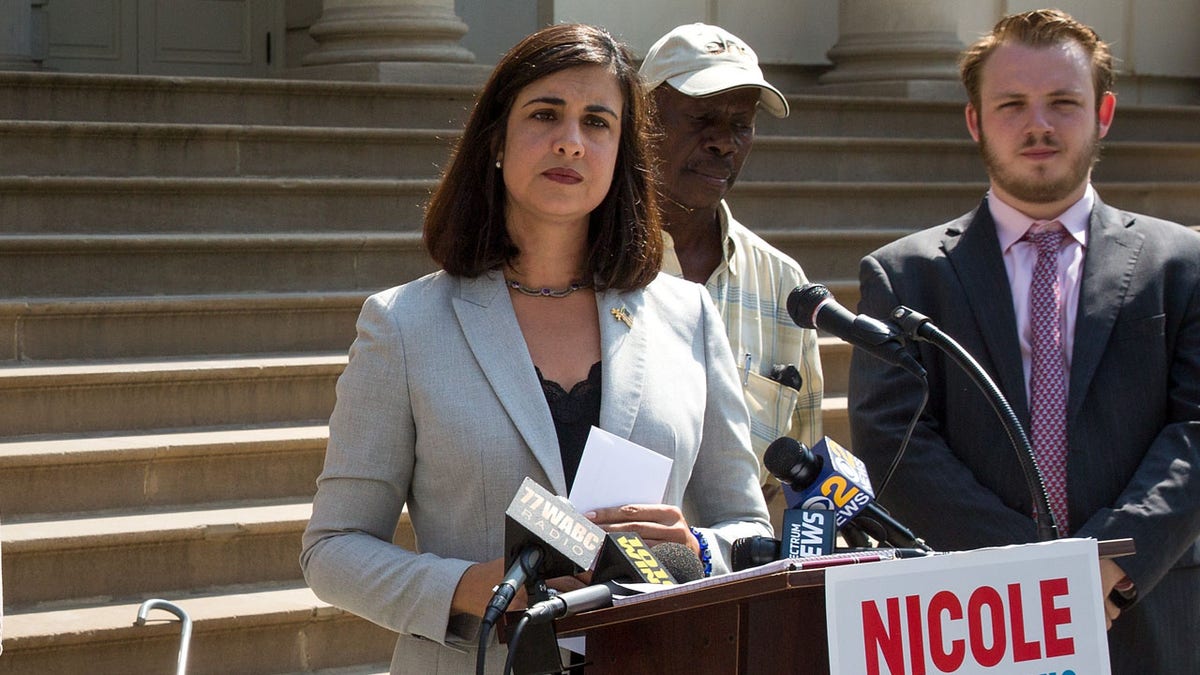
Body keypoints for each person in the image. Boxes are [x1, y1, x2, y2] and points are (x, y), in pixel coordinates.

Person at [300, 23, 771, 674]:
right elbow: (333, 547)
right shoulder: (404, 325)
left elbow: (747, 528)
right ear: (495, 140)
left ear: (621, 154)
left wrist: (695, 550)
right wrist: (470, 592)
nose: (571, 142)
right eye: (546, 114)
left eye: (598, 122)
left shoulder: (688, 314)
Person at [847, 9, 1200, 673]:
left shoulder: (1183, 265)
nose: (1038, 125)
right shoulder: (904, 275)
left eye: (1063, 102)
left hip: (1145, 611)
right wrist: (1037, 576)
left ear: (1105, 113)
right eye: (1012, 104)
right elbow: (894, 441)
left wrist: (1106, 560)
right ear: (976, 120)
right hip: (976, 617)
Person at [639, 23, 824, 526]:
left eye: (741, 125)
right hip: (605, 586)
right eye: (702, 118)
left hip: (739, 583)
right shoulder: (584, 262)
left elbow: (802, 481)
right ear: (641, 119)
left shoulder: (784, 283)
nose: (723, 143)